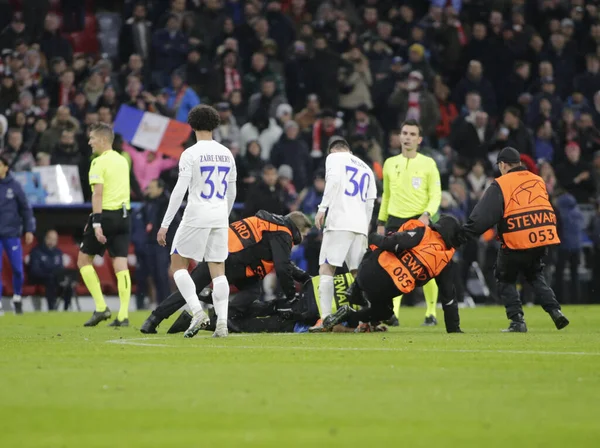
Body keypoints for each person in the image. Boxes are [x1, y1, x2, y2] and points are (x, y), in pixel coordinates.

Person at [141, 210, 314, 334]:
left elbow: (282, 263)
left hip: (220, 248)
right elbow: (282, 267)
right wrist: (292, 296)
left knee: (190, 288)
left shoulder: (271, 223)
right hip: (234, 260)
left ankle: (153, 320)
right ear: (297, 229)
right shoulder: (283, 232)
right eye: (304, 234)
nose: (302, 239)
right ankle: (225, 315)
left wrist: (304, 277)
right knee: (252, 291)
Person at [460, 147, 569, 332]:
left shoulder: (501, 183)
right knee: (535, 276)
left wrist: (464, 233)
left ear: (502, 165)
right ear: (519, 163)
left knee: (505, 278)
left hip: (516, 239)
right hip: (540, 238)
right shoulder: (538, 180)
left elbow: (484, 215)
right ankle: (555, 311)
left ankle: (517, 320)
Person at [156, 105, 237, 339]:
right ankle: (222, 323)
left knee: (178, 263)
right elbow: (232, 192)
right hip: (220, 214)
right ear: (215, 125)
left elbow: (179, 190)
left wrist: (165, 224)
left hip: (197, 213)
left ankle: (197, 312)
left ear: (191, 126)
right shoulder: (226, 153)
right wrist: (223, 214)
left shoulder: (190, 154)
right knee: (218, 269)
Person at [324, 215, 463, 334]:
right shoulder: (445, 260)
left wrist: (374, 237)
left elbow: (391, 242)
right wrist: (453, 328)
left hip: (369, 274)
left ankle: (355, 288)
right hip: (387, 290)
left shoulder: (423, 233)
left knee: (375, 245)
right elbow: (448, 297)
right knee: (385, 313)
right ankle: (351, 315)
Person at [377, 119, 442, 326]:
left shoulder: (428, 163)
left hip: (419, 220)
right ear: (399, 136)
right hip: (395, 221)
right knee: (394, 267)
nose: (407, 137)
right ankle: (394, 313)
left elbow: (436, 194)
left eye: (412, 134)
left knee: (426, 267)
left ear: (419, 139)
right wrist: (381, 220)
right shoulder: (389, 163)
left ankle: (431, 312)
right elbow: (386, 195)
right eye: (404, 133)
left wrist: (427, 214)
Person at [309, 138, 377, 332]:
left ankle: (324, 319)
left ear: (333, 150)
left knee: (326, 269)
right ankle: (367, 321)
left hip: (340, 222)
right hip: (360, 225)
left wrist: (322, 209)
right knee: (359, 274)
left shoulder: (334, 158)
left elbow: (334, 181)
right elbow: (370, 203)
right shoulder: (366, 168)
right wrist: (365, 226)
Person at [78, 123, 132, 327]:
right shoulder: (122, 160)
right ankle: (123, 315)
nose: (90, 142)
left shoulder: (98, 163)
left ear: (102, 140)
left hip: (106, 216)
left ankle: (101, 308)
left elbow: (98, 194)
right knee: (121, 263)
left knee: (84, 261)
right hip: (125, 216)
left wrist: (96, 222)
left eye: (92, 138)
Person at [0, 155, 35, 315]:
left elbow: (26, 209)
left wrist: (29, 229)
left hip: (11, 234)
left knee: (17, 269)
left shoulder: (15, 186)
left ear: (6, 167)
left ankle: (17, 297)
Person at [28, 229, 75, 311]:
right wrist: (49, 274)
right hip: (40, 278)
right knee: (50, 281)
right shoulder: (36, 251)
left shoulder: (58, 252)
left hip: (55, 278)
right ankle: (51, 309)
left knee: (68, 285)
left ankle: (66, 309)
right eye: (50, 238)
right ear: (46, 238)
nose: (52, 241)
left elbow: (60, 268)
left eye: (55, 239)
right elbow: (34, 270)